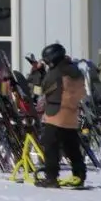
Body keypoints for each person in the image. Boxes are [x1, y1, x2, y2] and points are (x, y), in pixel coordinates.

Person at [35, 42, 87, 189]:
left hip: (56, 113)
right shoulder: (74, 69)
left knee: (50, 145)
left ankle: (51, 177)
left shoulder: (56, 72)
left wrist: (38, 74)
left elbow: (41, 90)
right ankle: (79, 175)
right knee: (71, 146)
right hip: (71, 113)